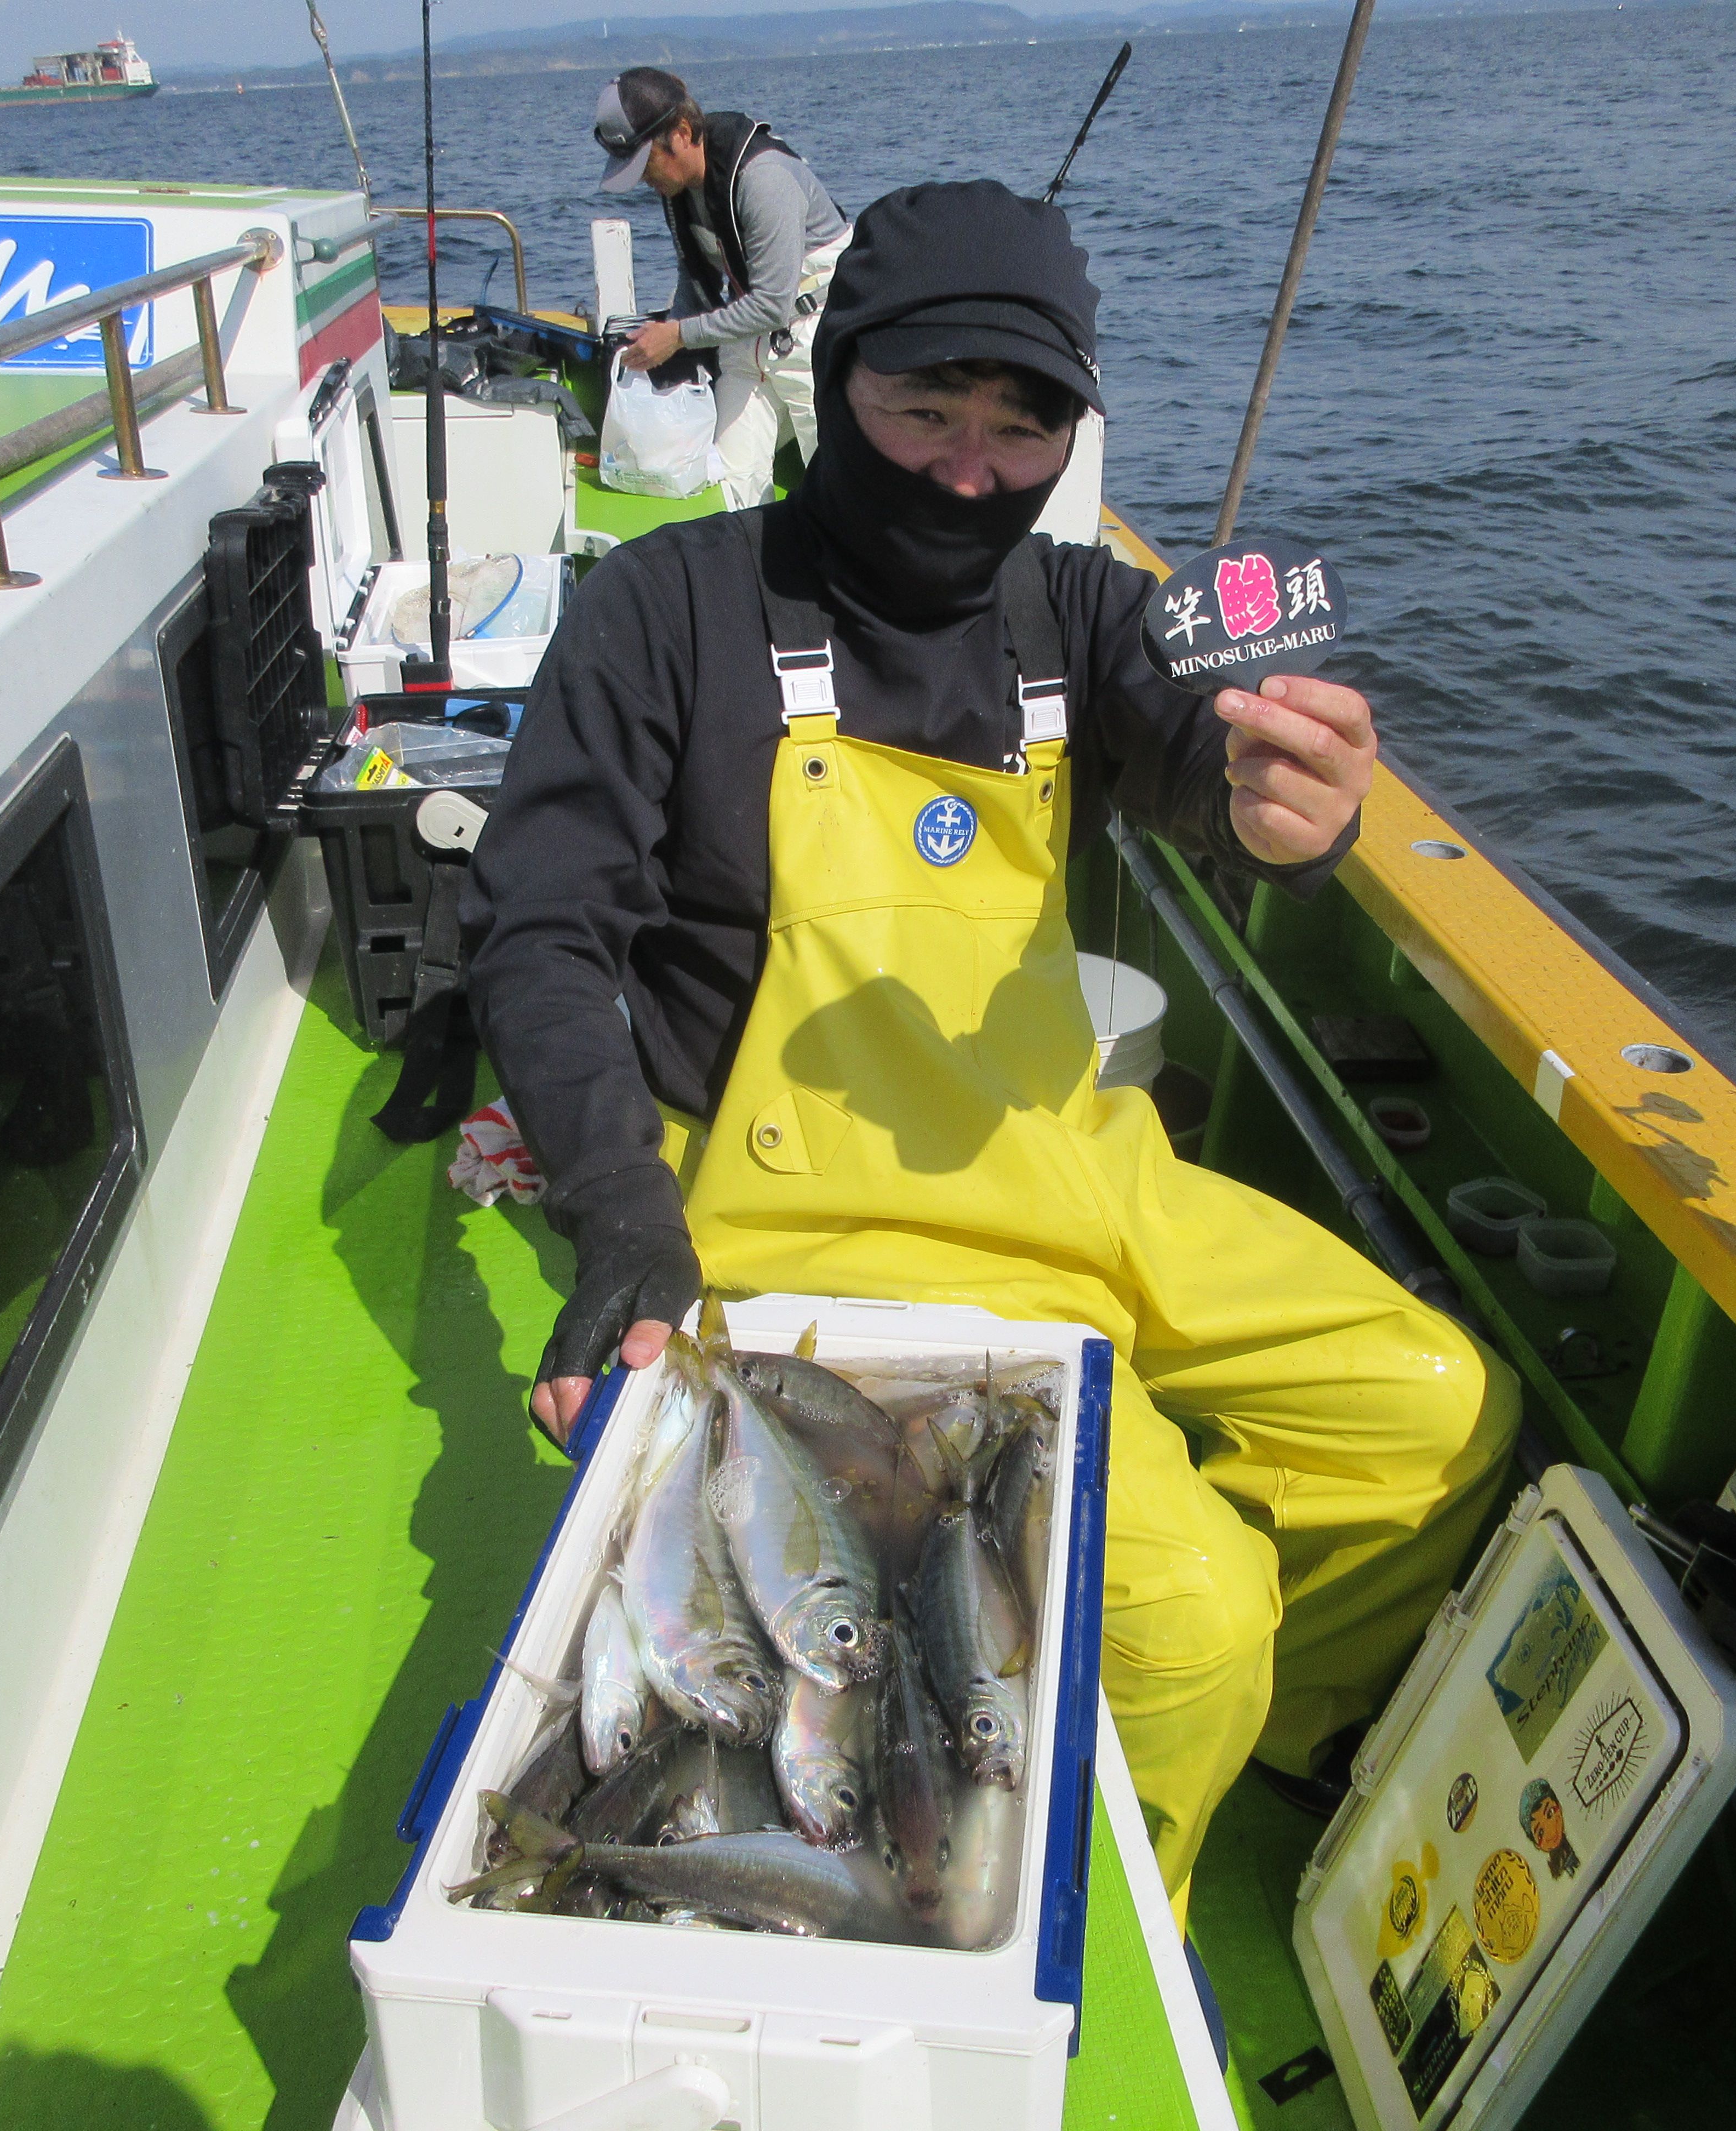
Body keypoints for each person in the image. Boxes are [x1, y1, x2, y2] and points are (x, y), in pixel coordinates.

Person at [469, 180, 1515, 1906]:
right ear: (836, 386)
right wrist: (620, 1210)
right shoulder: (662, 613)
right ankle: (1068, 1907)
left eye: (1023, 427)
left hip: (1070, 1164)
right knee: (1188, 1623)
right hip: (813, 1221)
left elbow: (1199, 753)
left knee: (1440, 1416)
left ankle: (1272, 1725)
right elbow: (542, 924)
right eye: (924, 410)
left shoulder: (1085, 615)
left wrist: (1286, 814)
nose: (971, 470)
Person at [595, 66, 851, 511]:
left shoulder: (764, 178)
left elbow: (772, 305)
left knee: (842, 489)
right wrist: (658, 345)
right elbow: (695, 278)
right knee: (732, 488)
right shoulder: (680, 188)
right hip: (747, 343)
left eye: (644, 163)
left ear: (682, 133)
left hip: (815, 337)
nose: (641, 180)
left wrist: (677, 336)